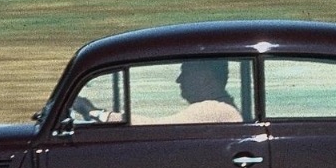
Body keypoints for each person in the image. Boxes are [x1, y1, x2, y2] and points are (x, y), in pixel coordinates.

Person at [74, 59, 241, 124]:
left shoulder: (213, 110)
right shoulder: (222, 109)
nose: (179, 79)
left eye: (186, 71)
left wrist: (96, 113)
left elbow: (153, 127)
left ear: (206, 77)